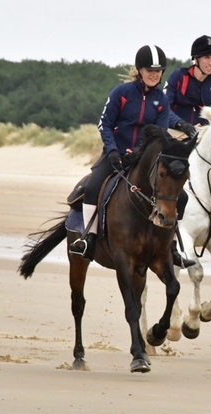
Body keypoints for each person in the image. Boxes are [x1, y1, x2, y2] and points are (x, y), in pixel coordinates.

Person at [69, 44, 195, 268]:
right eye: (150, 70)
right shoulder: (122, 93)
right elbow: (105, 124)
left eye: (158, 71)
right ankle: (88, 238)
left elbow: (161, 134)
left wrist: (139, 153)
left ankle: (173, 247)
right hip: (114, 154)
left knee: (182, 198)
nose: (154, 75)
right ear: (140, 70)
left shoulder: (162, 101)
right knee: (92, 186)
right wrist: (113, 150)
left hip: (143, 159)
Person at [163, 35, 211, 236]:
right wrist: (182, 124)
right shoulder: (177, 78)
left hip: (202, 135)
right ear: (196, 59)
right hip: (175, 133)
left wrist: (204, 129)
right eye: (207, 58)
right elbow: (163, 108)